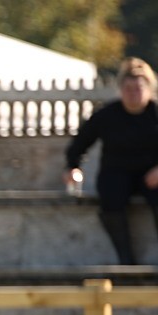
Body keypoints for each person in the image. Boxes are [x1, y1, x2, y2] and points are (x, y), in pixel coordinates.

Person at [65, 57, 158, 264]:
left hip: (152, 174)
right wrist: (73, 167)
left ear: (149, 89)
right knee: (110, 195)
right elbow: (79, 144)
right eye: (128, 88)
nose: (133, 93)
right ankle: (126, 260)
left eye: (138, 88)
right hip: (117, 172)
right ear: (120, 90)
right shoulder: (107, 115)